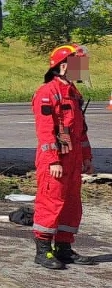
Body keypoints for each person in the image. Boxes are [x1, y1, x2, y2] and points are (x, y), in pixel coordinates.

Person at [31, 44, 96, 270]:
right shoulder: (47, 93)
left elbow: (81, 131)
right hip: (55, 160)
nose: (82, 69)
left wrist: (86, 157)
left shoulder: (74, 94)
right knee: (51, 202)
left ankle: (64, 248)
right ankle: (43, 251)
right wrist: (53, 161)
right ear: (63, 66)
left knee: (71, 204)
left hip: (73, 158)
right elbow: (46, 131)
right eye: (79, 65)